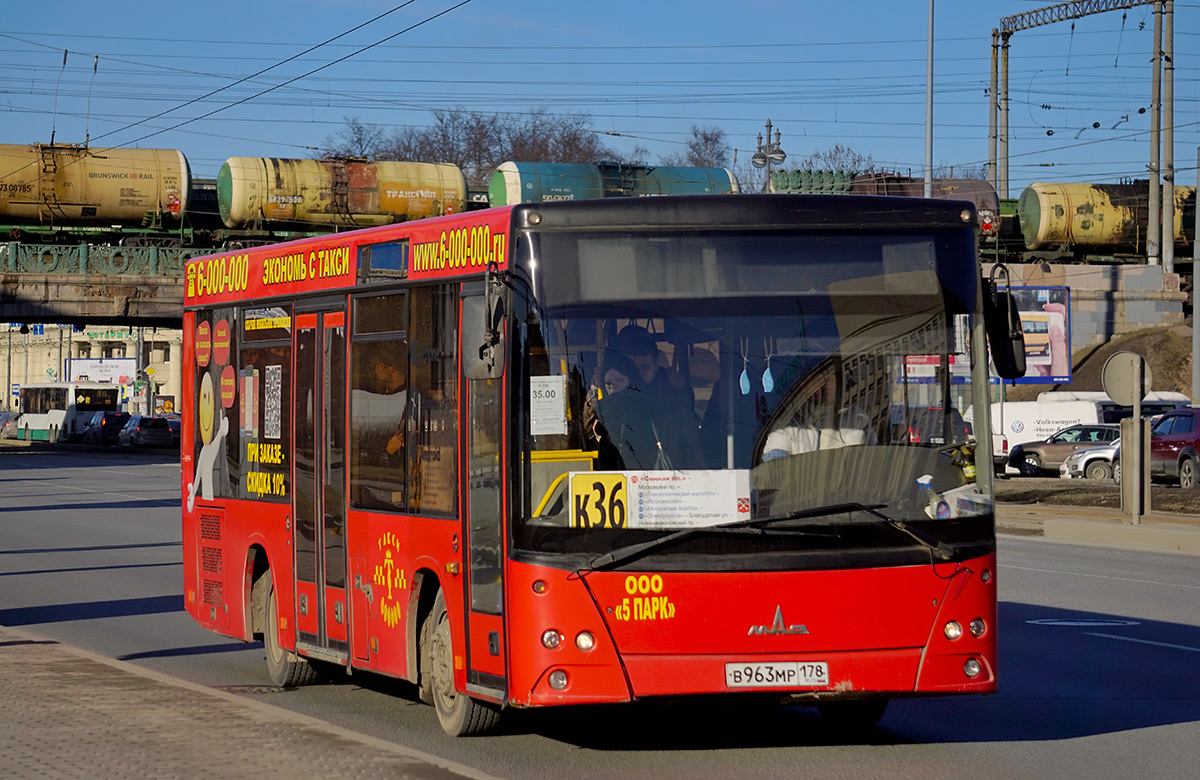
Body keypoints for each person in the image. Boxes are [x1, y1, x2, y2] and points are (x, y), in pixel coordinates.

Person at [613, 324, 695, 417]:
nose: (638, 374)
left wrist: (682, 390)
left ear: (656, 364)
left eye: (644, 366)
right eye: (631, 367)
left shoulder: (671, 393)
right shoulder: (610, 388)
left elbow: (687, 424)